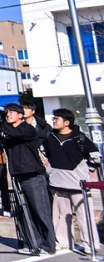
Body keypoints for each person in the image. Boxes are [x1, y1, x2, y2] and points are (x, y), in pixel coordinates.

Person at [0, 103, 56, 255]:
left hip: (33, 175)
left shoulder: (28, 129)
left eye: (12, 112)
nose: (8, 114)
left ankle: (48, 245)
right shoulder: (9, 131)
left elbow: (18, 133)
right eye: (7, 113)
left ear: (20, 115)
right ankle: (31, 242)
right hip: (17, 175)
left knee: (41, 211)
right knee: (24, 212)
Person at [44, 108, 101, 254]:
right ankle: (63, 242)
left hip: (79, 184)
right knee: (61, 214)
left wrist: (88, 170)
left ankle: (90, 244)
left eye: (57, 119)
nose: (54, 121)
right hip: (57, 182)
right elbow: (44, 153)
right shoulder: (50, 137)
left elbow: (95, 155)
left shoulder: (79, 138)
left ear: (67, 122)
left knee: (84, 215)